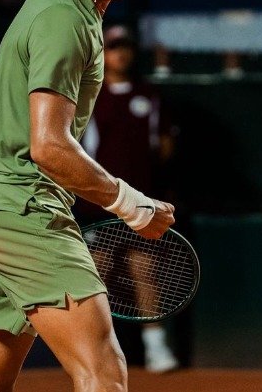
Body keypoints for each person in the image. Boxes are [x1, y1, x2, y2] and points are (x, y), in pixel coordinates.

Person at [0, 0, 176, 392]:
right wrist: (132, 204)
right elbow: (49, 146)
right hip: (29, 211)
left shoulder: (51, 5)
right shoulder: (65, 18)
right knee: (104, 371)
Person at [76, 24, 180, 373]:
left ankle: (156, 348)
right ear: (102, 52)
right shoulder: (88, 97)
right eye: (113, 46)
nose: (121, 53)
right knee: (96, 277)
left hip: (141, 205)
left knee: (145, 272)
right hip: (98, 207)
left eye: (126, 47)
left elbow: (164, 147)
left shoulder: (149, 97)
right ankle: (92, 352)